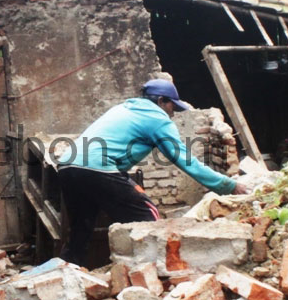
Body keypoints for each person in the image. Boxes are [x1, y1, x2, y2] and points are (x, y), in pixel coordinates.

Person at [57, 78, 249, 267]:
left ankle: (68, 273)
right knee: (146, 217)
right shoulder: (157, 118)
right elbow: (185, 160)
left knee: (80, 228)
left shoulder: (122, 109)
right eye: (172, 107)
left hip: (67, 166)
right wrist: (229, 185)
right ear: (161, 102)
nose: (173, 114)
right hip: (97, 167)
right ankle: (147, 273)